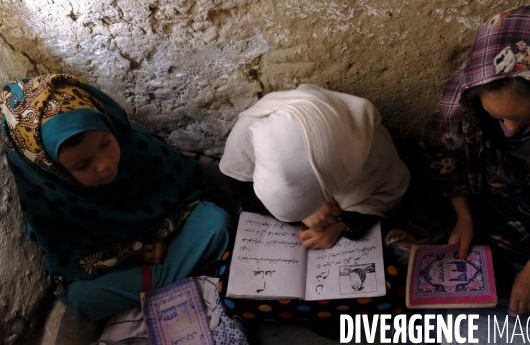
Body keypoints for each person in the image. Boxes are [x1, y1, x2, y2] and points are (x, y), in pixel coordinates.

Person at [0, 74, 233, 327]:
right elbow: (71, 259)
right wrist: (132, 251)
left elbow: (186, 188)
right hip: (126, 268)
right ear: (49, 173)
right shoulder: (46, 199)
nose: (105, 165)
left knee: (217, 224)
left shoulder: (137, 146)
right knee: (84, 299)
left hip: (165, 246)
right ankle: (178, 277)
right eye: (82, 165)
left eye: (105, 143)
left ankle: (156, 287)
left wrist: (161, 236)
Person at [420, 5, 530, 315]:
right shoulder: (463, 98)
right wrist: (463, 216)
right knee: (413, 248)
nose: (511, 127)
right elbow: (445, 161)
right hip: (489, 205)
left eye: (529, 118)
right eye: (497, 116)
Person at [216, 84, 411, 323]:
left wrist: (341, 226)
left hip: (348, 217)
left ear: (336, 173)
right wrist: (305, 215)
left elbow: (387, 194)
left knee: (391, 285)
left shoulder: (370, 152)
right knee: (231, 295)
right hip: (272, 216)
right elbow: (242, 189)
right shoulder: (250, 134)